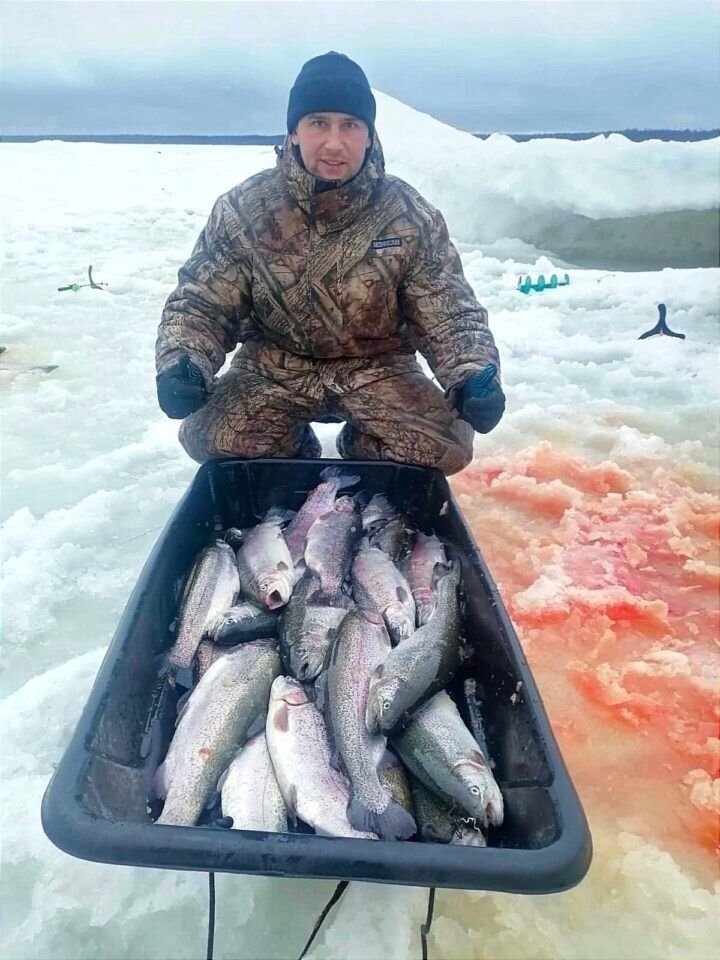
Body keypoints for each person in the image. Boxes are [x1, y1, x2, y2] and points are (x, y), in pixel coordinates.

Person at [155, 51, 505, 476]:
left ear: (370, 136)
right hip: (274, 364)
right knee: (212, 439)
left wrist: (472, 375)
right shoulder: (243, 209)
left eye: (350, 125)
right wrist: (184, 362)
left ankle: (363, 447)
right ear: (295, 132)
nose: (335, 143)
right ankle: (288, 447)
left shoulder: (409, 214)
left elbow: (448, 311)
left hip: (376, 366)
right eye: (319, 122)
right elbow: (202, 302)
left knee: (446, 447)